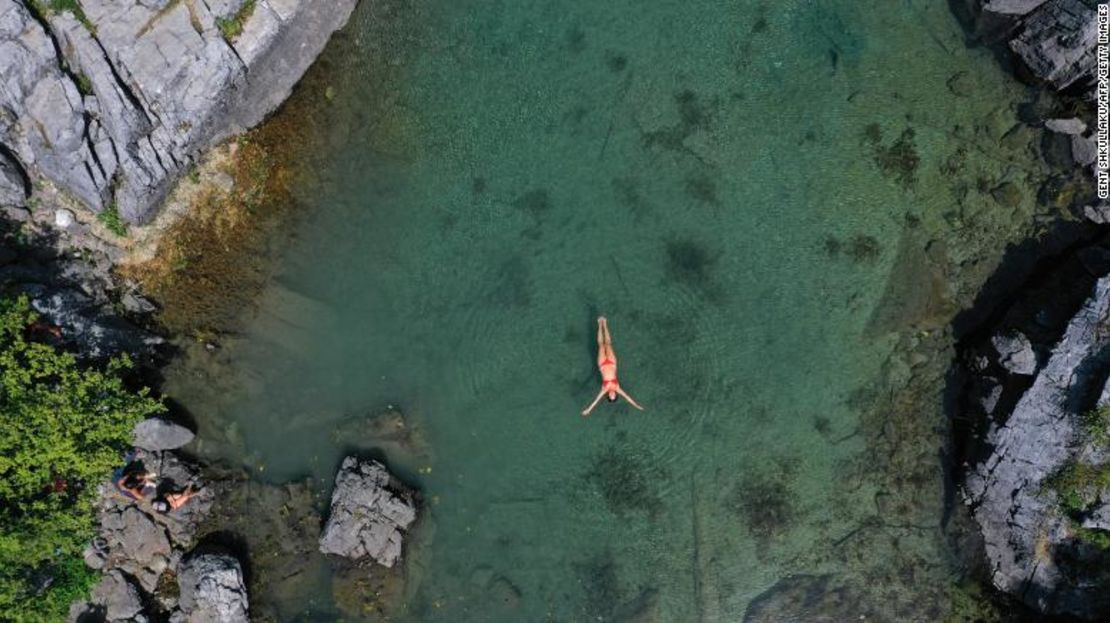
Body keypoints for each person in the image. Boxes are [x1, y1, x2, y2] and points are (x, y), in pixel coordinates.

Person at [582, 316, 644, 416]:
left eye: (610, 396)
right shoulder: (617, 388)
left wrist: (588, 410)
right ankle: (605, 324)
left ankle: (599, 324)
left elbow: (596, 401)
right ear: (615, 395)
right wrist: (636, 405)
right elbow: (627, 397)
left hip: (602, 364)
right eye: (613, 396)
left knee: (601, 345)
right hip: (612, 363)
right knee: (608, 344)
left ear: (608, 395)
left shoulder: (604, 389)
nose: (612, 394)